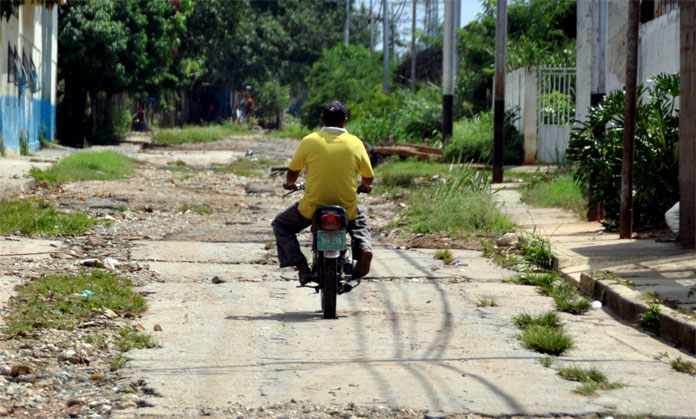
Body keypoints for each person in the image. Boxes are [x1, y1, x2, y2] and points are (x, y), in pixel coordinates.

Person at [272, 101, 374, 285]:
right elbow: (368, 176)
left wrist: (290, 183)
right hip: (346, 208)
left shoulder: (310, 140)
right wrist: (365, 186)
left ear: (323, 120)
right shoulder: (355, 142)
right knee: (359, 225)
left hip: (312, 208)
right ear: (344, 121)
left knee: (281, 225)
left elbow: (293, 170)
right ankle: (364, 248)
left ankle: (302, 268)